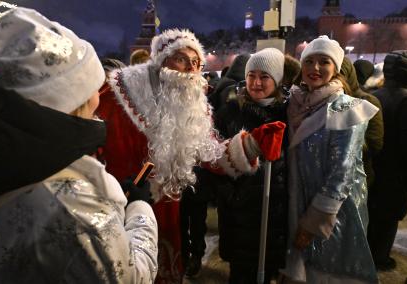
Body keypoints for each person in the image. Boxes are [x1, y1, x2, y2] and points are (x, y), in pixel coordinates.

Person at [96, 28, 285, 283]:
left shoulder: (192, 106)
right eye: (182, 59)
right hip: (117, 205)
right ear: (162, 60)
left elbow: (211, 152)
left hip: (166, 209)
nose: (190, 69)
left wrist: (250, 145)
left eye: (196, 63)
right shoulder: (116, 94)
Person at [0, 7, 158, 283]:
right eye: (92, 87)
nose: (98, 99)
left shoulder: (7, 153)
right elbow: (130, 277)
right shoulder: (76, 210)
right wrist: (139, 209)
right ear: (71, 97)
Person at [281, 36, 379, 283]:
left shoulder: (346, 108)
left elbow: (342, 172)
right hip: (297, 201)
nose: (315, 68)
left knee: (327, 272)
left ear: (336, 67)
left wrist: (314, 221)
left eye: (324, 61)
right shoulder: (294, 105)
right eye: (309, 61)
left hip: (333, 214)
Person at [214, 48, 291, 284]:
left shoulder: (290, 112)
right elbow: (212, 158)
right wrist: (231, 196)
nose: (256, 83)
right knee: (241, 273)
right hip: (239, 215)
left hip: (275, 211)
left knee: (267, 271)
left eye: (265, 77)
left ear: (277, 79)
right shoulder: (230, 112)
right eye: (251, 76)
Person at [367, 50, 407, 271]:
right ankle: (380, 259)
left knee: (374, 215)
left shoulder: (375, 95)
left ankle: (370, 253)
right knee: (389, 219)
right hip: (396, 173)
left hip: (375, 168)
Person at [340, 57, 384, 187]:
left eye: (340, 75)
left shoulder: (366, 101)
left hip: (356, 178)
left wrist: (342, 146)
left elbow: (374, 143)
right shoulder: (320, 99)